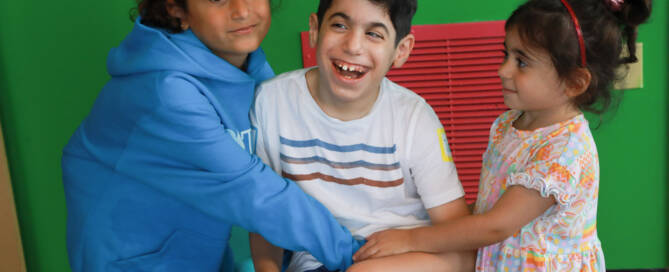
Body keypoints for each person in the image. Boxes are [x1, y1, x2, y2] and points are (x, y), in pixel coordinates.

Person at [60, 0, 363, 271]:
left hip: (201, 247)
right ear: (177, 9)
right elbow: (254, 191)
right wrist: (356, 255)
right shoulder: (166, 92)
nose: (242, 10)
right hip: (135, 258)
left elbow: (281, 163)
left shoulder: (246, 61)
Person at [352, 0, 653, 271]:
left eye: (521, 62)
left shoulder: (564, 152)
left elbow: (496, 226)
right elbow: (488, 205)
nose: (502, 69)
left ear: (574, 82)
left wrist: (411, 239)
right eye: (505, 54)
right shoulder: (510, 123)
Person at [249, 0, 473, 271]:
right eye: (340, 25)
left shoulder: (414, 117)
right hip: (319, 262)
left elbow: (459, 239)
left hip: (406, 256)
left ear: (400, 51)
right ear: (315, 29)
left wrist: (407, 243)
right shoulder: (271, 102)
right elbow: (264, 215)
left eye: (374, 34)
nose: (353, 46)